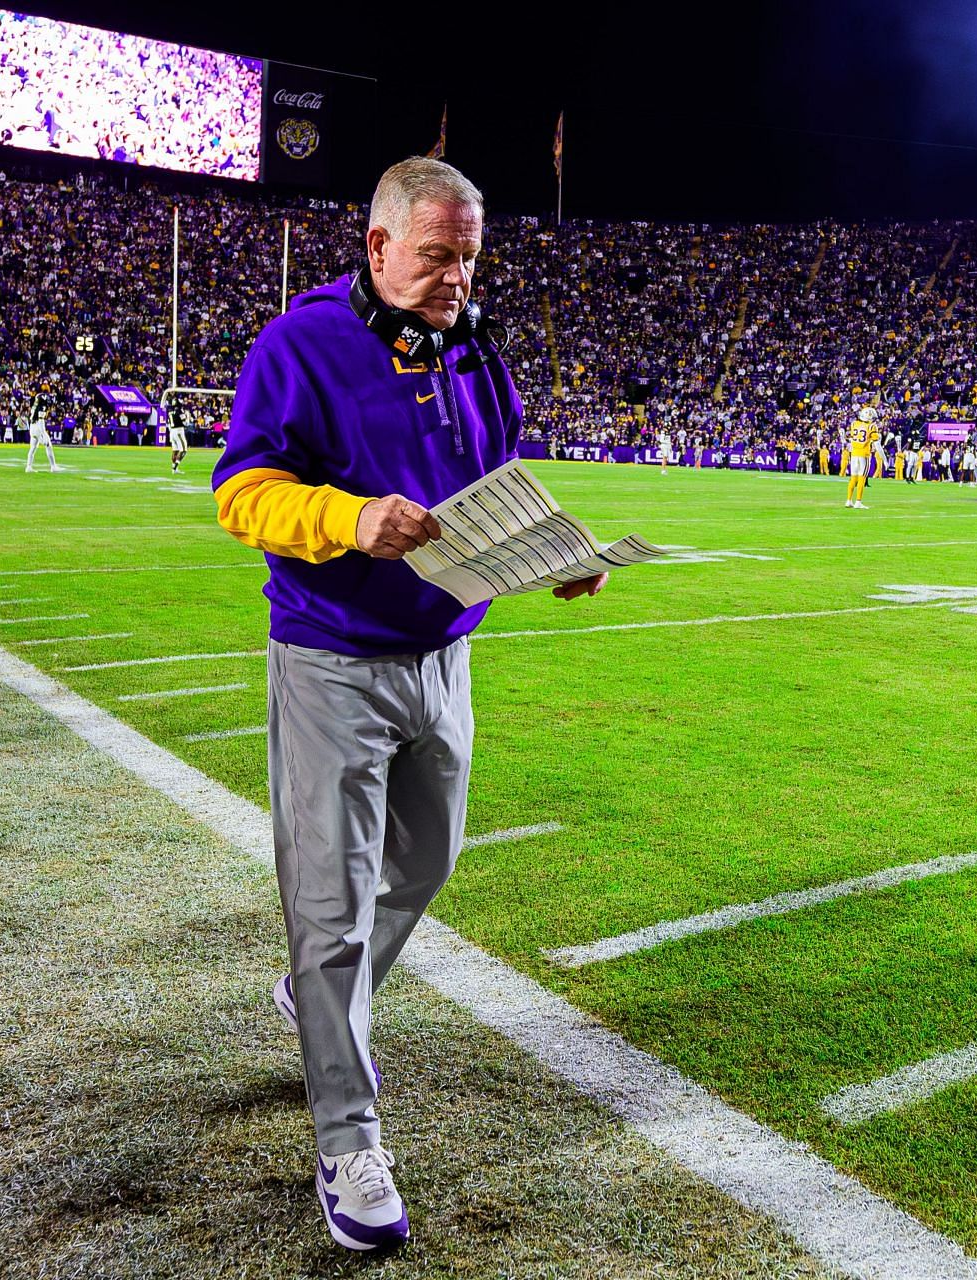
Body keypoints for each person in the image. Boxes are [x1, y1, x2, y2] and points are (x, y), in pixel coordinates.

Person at [211, 157, 605, 1254]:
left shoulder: (474, 343)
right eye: (438, 256)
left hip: (447, 654)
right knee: (331, 910)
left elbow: (497, 481)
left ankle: (313, 997)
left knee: (426, 863)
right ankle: (348, 1135)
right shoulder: (298, 345)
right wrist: (346, 518)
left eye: (470, 257)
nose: (456, 277)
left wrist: (553, 556)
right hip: (334, 658)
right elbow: (241, 490)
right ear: (378, 245)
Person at [842, 405, 885, 509]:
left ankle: (848, 500)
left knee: (853, 478)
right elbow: (877, 444)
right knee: (862, 478)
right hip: (864, 454)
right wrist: (885, 459)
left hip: (854, 454)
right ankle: (858, 502)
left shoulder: (854, 424)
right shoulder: (871, 426)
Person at [25, 402, 63, 472]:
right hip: (38, 428)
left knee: (33, 448)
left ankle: (28, 467)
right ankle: (53, 466)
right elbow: (41, 421)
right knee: (48, 446)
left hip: (32, 427)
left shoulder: (34, 406)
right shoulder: (41, 407)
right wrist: (43, 434)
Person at [167, 402, 188, 474]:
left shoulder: (170, 411)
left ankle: (174, 469)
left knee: (175, 450)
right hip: (179, 431)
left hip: (172, 431)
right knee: (183, 450)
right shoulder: (179, 411)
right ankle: (174, 467)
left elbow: (168, 422)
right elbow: (185, 422)